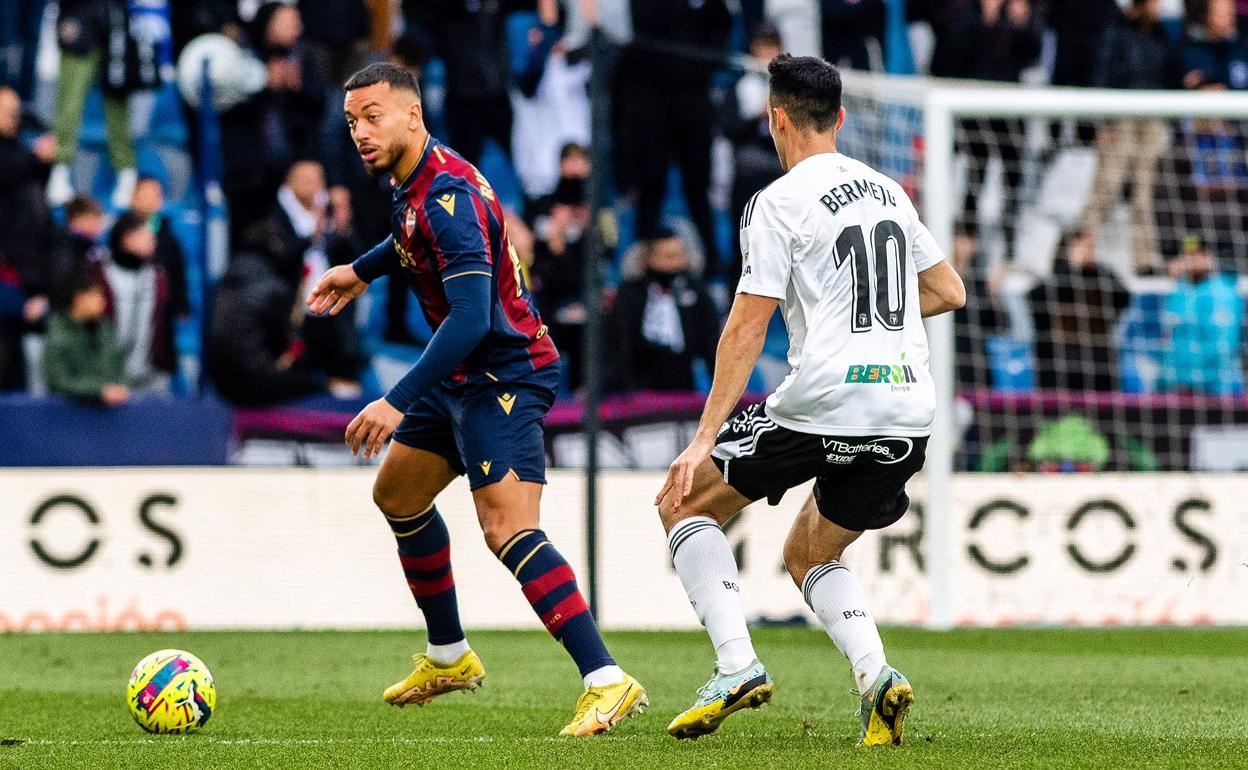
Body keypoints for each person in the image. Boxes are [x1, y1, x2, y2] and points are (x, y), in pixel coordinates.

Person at [305, 62, 646, 735]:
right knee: (398, 496)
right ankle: (449, 656)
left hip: (503, 373)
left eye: (373, 116)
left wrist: (397, 399)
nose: (361, 133)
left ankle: (607, 679)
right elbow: (409, 238)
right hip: (461, 373)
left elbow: (469, 318)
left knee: (507, 529)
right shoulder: (417, 180)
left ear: (412, 113)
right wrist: (361, 270)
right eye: (352, 122)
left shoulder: (445, 194)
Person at [655, 55, 965, 744]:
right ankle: (877, 676)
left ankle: (736, 665)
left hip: (826, 396)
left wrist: (705, 437)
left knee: (680, 501)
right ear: (841, 119)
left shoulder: (777, 201)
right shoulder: (888, 191)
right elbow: (950, 291)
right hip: (908, 410)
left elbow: (746, 324)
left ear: (776, 119)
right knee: (811, 555)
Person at [1079, 0, 1177, 275]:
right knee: (1108, 182)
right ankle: (1082, 248)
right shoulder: (1115, 32)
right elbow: (1102, 75)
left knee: (1146, 188)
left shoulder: (1161, 35)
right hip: (1121, 116)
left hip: (1153, 116)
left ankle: (1144, 259)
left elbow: (1169, 76)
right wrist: (1105, 120)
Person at [46, 0, 139, 209]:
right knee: (68, 104)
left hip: (113, 21)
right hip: (78, 19)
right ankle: (59, 170)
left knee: (117, 107)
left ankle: (126, 173)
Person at [609, 231, 721, 392]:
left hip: (683, 381)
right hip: (638, 385)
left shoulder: (697, 293)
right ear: (649, 260)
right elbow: (619, 344)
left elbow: (712, 344)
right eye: (669, 257)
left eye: (680, 256)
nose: (677, 264)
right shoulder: (630, 294)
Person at [1028, 231, 1130, 391]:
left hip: (1098, 367)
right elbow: (1036, 299)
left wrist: (1095, 269)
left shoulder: (1101, 278)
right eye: (1084, 247)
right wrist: (1072, 268)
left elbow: (1124, 296)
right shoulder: (1055, 281)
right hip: (1060, 368)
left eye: (1091, 248)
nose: (1089, 252)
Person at [97, 211, 175, 395]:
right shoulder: (99, 273)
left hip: (152, 374)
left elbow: (164, 322)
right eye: (143, 234)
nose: (152, 240)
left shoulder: (158, 275)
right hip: (109, 376)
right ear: (126, 239)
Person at [1159, 237, 1244, 395]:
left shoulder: (1223, 293)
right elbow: (1171, 341)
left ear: (1209, 257)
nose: (1193, 260)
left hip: (1217, 389)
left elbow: (1224, 345)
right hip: (1180, 387)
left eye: (1199, 254)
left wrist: (1190, 379)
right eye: (1189, 254)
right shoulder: (1178, 291)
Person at [43, 272, 129, 406]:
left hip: (109, 413)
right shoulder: (58, 332)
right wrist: (99, 390)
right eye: (97, 295)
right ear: (79, 297)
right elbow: (58, 380)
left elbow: (118, 364)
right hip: (69, 415)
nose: (103, 301)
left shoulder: (105, 328)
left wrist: (120, 385)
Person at [129, 176, 190, 318]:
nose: (150, 200)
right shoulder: (121, 233)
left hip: (161, 309)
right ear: (133, 198)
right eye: (145, 194)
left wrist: (181, 304)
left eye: (156, 195)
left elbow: (177, 272)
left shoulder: (168, 237)